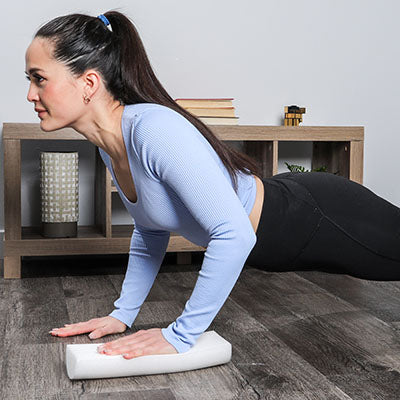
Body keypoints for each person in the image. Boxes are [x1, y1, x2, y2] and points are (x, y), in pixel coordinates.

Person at [24, 10, 400, 360]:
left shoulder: (153, 130)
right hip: (284, 228)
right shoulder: (110, 145)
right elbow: (150, 231)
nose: (31, 94)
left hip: (315, 218)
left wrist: (180, 335)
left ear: (89, 82)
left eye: (40, 78)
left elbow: (234, 234)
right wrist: (121, 315)